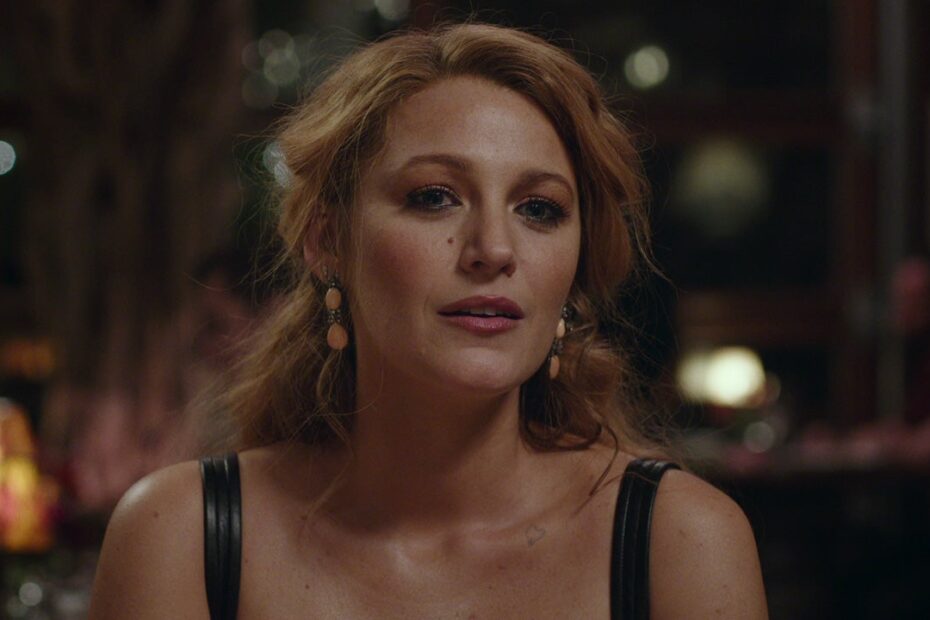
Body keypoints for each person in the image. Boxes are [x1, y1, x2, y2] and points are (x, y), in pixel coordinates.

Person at [88, 23, 767, 618]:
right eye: (435, 197)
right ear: (326, 241)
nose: (494, 249)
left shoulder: (680, 542)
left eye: (539, 209)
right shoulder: (181, 536)